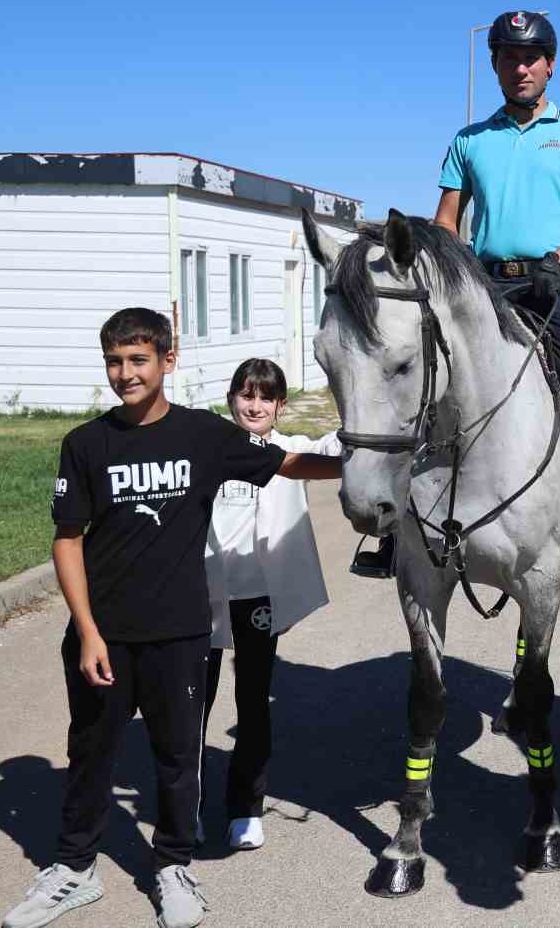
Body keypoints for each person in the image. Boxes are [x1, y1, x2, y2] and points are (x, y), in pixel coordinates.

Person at [1, 309, 340, 928]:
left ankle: (172, 867)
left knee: (178, 757)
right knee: (92, 753)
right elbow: (67, 539)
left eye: (138, 360)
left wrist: (369, 462)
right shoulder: (85, 444)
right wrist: (88, 632)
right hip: (105, 635)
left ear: (167, 362)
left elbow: (287, 465)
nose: (125, 373)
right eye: (115, 361)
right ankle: (74, 871)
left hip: (182, 631)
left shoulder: (203, 436)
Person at [418, 8, 560, 588]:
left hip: (555, 287)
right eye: (509, 57)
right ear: (494, 64)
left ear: (550, 65)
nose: (521, 67)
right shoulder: (468, 141)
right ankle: (396, 535)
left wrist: (559, 259)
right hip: (485, 289)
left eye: (531, 57)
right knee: (413, 389)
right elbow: (446, 224)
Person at [200, 358, 341, 852]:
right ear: (230, 399)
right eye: (245, 394)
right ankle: (187, 805)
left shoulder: (292, 451)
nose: (254, 405)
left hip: (258, 598)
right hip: (204, 593)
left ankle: (245, 807)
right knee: (192, 702)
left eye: (265, 397)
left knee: (252, 702)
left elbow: (340, 448)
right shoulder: (209, 448)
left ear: (281, 405)